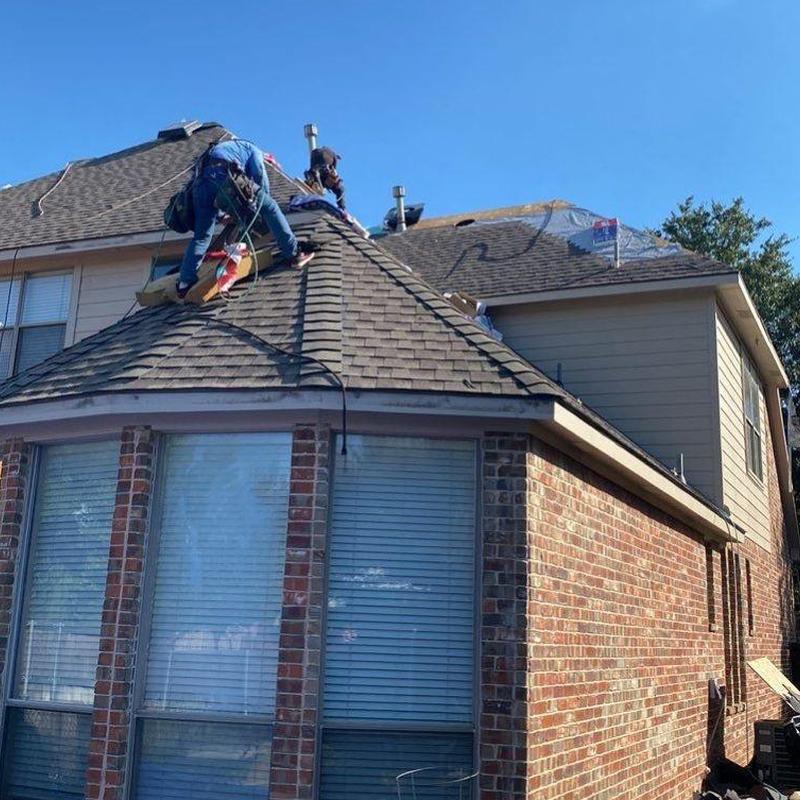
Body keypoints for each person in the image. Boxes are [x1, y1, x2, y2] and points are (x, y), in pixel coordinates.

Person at [177, 138, 313, 297]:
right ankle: (293, 253)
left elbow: (209, 189)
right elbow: (259, 178)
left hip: (200, 185)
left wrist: (222, 216)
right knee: (270, 206)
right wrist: (260, 210)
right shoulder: (252, 149)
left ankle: (185, 282)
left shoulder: (221, 150)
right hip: (223, 175)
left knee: (201, 236)